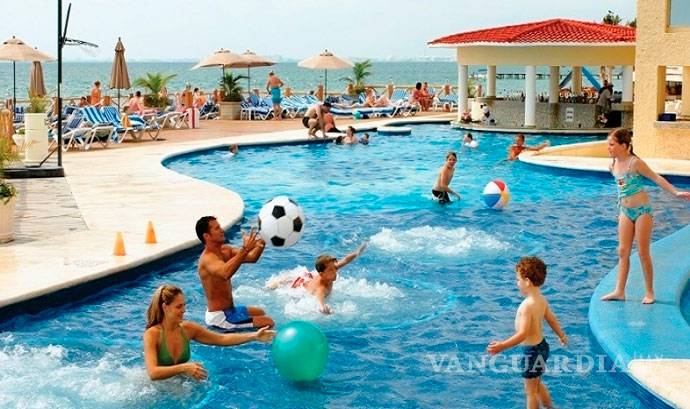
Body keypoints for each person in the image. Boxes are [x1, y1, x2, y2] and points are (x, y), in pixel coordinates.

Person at [601, 128, 690, 304]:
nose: (608, 148)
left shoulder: (635, 163)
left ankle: (649, 292)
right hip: (625, 212)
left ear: (624, 145)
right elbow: (621, 188)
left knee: (643, 252)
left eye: (611, 144)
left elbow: (656, 178)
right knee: (623, 251)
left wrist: (675, 192)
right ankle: (619, 291)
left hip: (642, 212)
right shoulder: (612, 165)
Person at [143, 284, 275, 381]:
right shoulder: (152, 334)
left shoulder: (188, 329)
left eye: (184, 305)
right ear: (165, 307)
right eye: (179, 306)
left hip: (181, 383)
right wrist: (184, 368)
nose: (184, 310)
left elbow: (221, 339)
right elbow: (153, 373)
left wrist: (254, 336)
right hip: (157, 388)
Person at [487, 257, 567, 409]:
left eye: (518, 280)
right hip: (542, 347)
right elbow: (551, 319)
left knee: (530, 392)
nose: (517, 283)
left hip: (531, 352)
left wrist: (502, 346)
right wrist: (561, 335)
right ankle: (549, 407)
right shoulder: (541, 299)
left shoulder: (526, 307)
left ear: (527, 281)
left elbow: (523, 334)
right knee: (537, 384)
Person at [196, 216, 275, 331]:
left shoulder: (225, 250)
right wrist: (245, 249)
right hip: (220, 318)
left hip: (230, 310)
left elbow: (252, 257)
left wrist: (264, 236)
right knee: (268, 322)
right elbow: (225, 273)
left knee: (260, 312)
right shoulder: (207, 259)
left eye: (220, 227)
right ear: (206, 236)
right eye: (217, 228)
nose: (222, 230)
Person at [267, 243, 367, 314]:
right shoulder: (321, 288)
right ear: (322, 274)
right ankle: (275, 284)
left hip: (308, 277)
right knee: (283, 283)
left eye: (334, 267)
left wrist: (357, 252)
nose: (335, 270)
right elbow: (320, 301)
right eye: (331, 270)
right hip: (300, 286)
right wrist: (323, 308)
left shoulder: (330, 271)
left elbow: (345, 260)